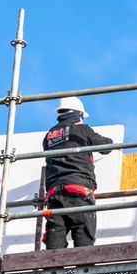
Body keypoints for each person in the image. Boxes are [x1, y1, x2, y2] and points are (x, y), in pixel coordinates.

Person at [38, 97, 109, 249]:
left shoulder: (49, 136)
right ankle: (84, 269)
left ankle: (53, 269)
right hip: (78, 189)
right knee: (83, 230)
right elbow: (106, 147)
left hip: (54, 192)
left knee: (55, 231)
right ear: (78, 115)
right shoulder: (82, 130)